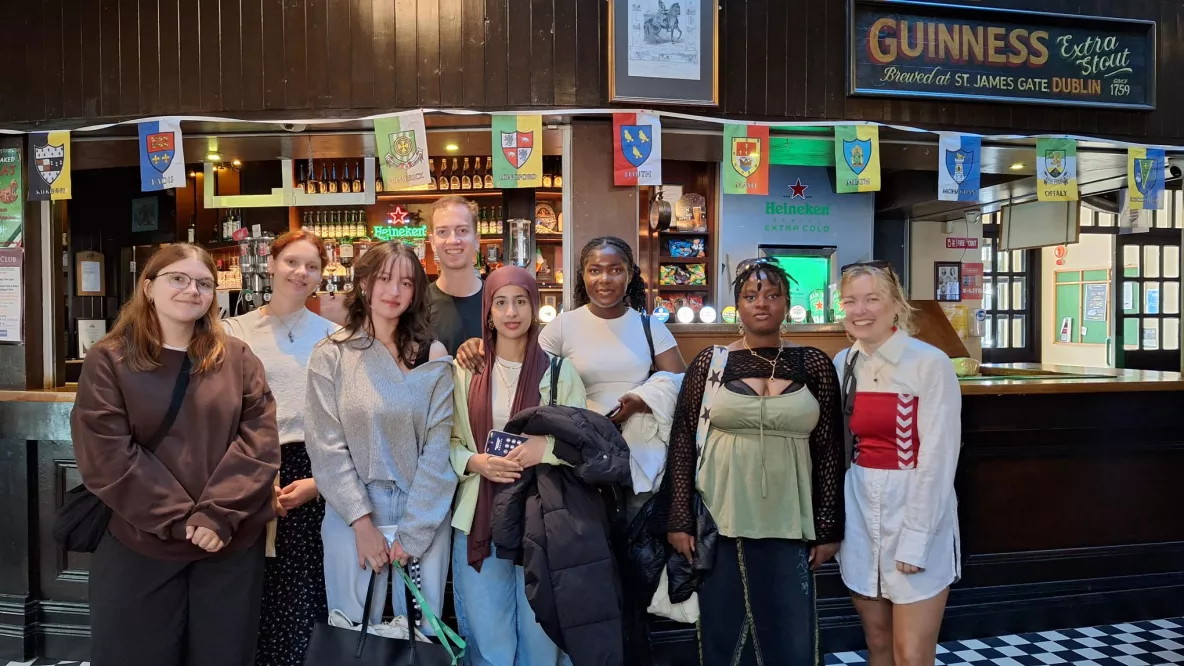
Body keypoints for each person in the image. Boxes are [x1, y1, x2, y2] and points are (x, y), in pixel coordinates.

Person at [71, 243, 280, 666]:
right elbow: (107, 453)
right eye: (178, 279)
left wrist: (217, 515)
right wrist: (184, 519)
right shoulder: (109, 359)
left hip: (228, 545)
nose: (192, 290)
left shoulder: (238, 358)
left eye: (204, 283)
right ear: (148, 287)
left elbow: (260, 442)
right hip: (140, 544)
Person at [664, 258, 845, 665]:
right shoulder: (711, 364)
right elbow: (682, 442)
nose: (761, 303)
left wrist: (829, 526)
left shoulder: (814, 363)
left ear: (787, 303)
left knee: (789, 628)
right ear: (737, 306)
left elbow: (831, 448)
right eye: (750, 296)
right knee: (724, 627)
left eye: (773, 295)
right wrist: (678, 517)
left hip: (791, 516)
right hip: (720, 512)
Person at [305, 241, 456, 632]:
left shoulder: (432, 354)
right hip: (352, 507)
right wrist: (361, 522)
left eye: (405, 282)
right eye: (384, 279)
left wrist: (417, 528)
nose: (393, 291)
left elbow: (440, 447)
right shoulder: (332, 354)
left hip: (422, 505)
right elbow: (326, 446)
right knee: (352, 631)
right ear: (364, 284)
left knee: (421, 633)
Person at [448, 265, 587, 666]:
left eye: (521, 301)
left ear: (535, 307)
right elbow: (445, 443)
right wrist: (477, 461)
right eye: (501, 302)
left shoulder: (559, 372)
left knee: (541, 635)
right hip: (480, 513)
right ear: (487, 312)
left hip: (540, 517)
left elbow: (582, 444)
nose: (511, 312)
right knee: (489, 637)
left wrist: (541, 450)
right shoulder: (465, 371)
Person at [834, 261, 962, 666]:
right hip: (860, 519)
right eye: (851, 301)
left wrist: (916, 537)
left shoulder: (929, 363)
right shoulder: (844, 363)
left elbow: (938, 458)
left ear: (895, 305)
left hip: (913, 516)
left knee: (911, 654)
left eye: (872, 299)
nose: (861, 310)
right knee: (878, 644)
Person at [222, 230, 338, 666]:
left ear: (321, 277)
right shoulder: (232, 331)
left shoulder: (335, 336)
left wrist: (319, 480)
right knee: (253, 584)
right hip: (250, 467)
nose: (301, 272)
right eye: (292, 261)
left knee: (310, 586)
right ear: (270, 264)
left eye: (312, 266)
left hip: (314, 469)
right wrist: (253, 478)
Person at [428, 195, 484, 355]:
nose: (453, 240)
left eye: (462, 230)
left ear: (477, 240)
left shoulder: (497, 302)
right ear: (432, 242)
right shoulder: (418, 307)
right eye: (443, 232)